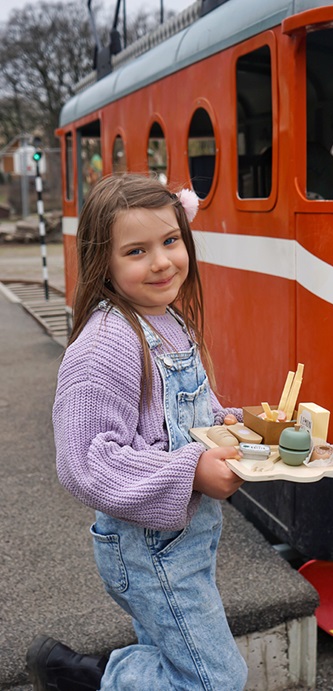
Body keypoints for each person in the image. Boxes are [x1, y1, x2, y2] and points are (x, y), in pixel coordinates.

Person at [26, 174, 248, 690]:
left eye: (170, 240)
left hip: (182, 543)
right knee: (215, 680)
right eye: (136, 251)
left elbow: (188, 414)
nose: (162, 261)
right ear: (102, 261)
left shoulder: (168, 321)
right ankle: (89, 679)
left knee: (173, 656)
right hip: (148, 551)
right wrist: (193, 470)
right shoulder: (106, 344)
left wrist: (232, 425)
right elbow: (86, 461)